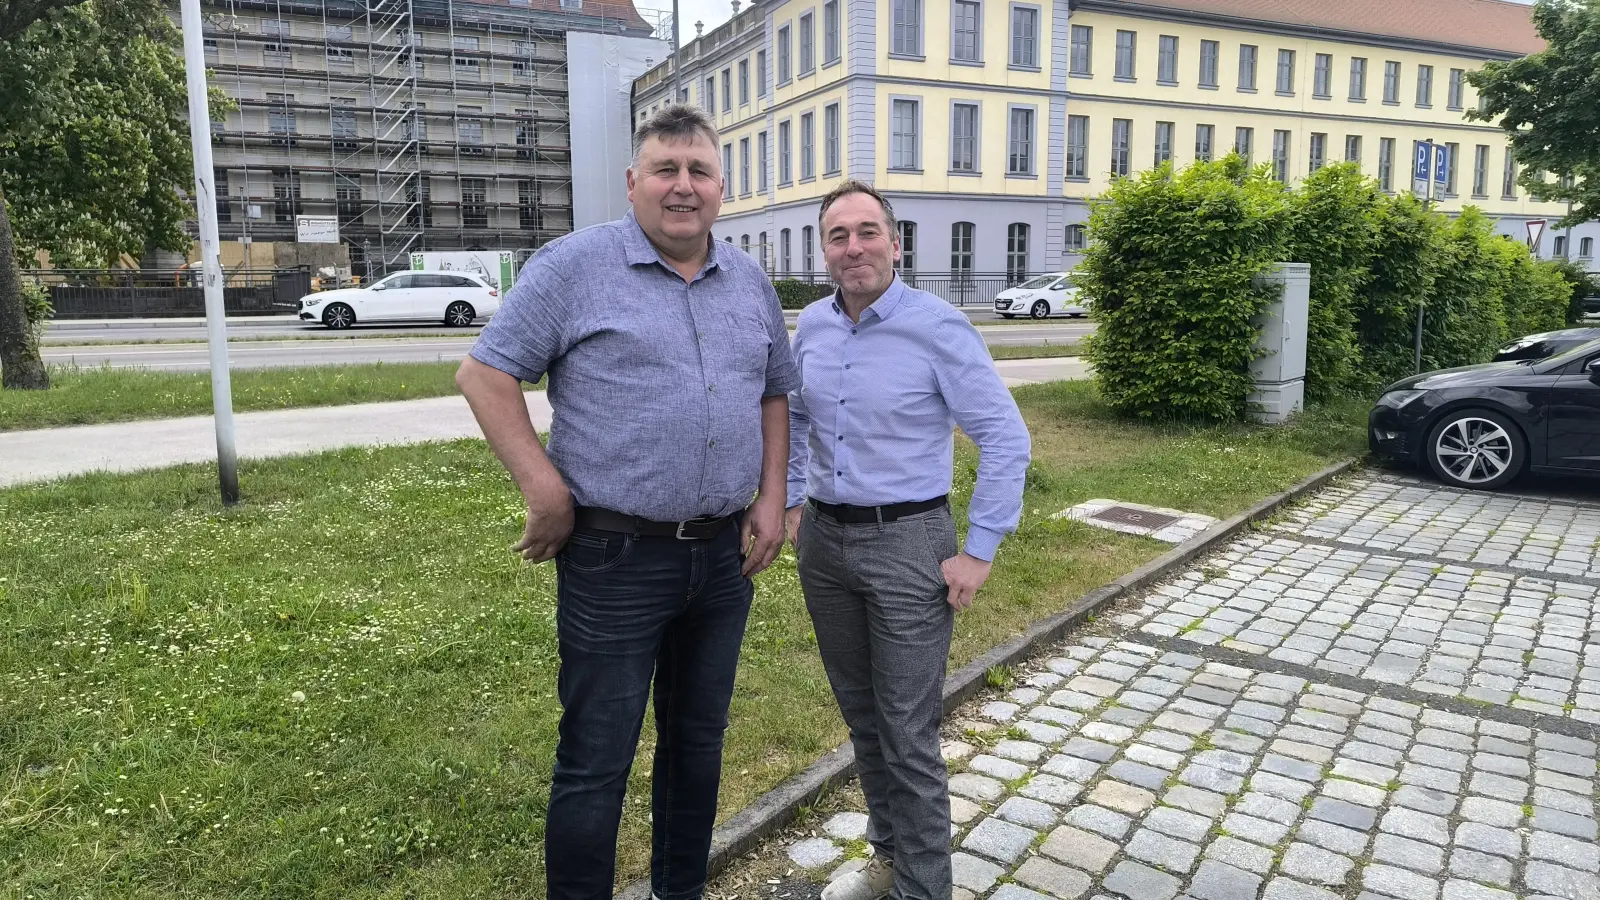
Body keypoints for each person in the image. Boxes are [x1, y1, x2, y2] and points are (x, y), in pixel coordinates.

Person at [456, 104, 797, 900]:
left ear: (722, 184)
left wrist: (775, 497)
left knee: (697, 746)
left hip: (721, 560)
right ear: (634, 181)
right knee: (596, 760)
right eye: (667, 170)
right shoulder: (574, 267)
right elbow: (485, 374)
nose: (684, 187)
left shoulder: (748, 280)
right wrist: (544, 489)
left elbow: (778, 393)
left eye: (700, 171)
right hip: (615, 558)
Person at [785, 181, 1031, 900]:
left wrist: (979, 549)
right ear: (824, 250)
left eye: (868, 232)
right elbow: (798, 419)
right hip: (826, 547)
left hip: (910, 544)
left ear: (896, 243)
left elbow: (1004, 438)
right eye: (839, 235)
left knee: (908, 731)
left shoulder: (939, 327)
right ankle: (888, 856)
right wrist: (796, 498)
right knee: (863, 718)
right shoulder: (816, 328)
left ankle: (926, 889)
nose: (854, 247)